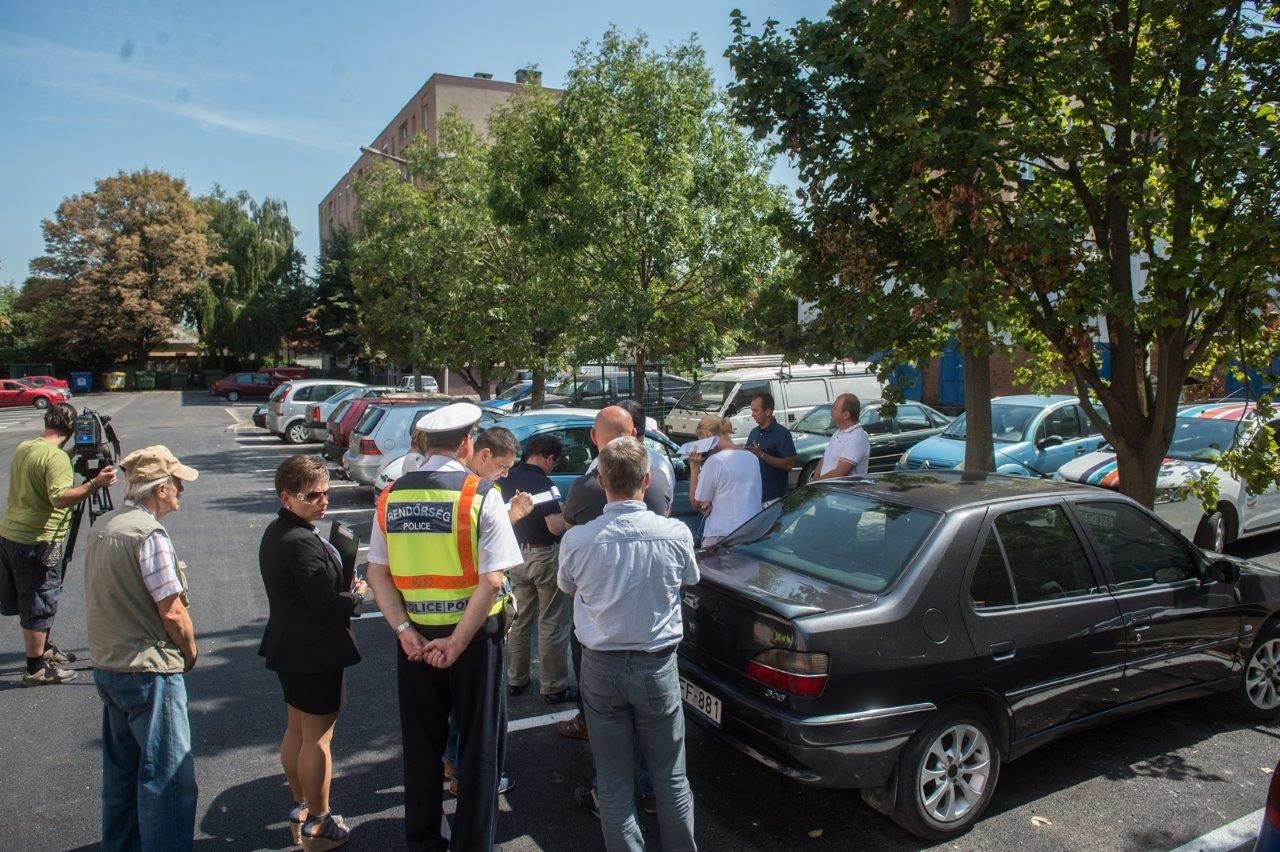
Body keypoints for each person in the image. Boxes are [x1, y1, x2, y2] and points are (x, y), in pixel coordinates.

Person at [365, 402, 523, 851]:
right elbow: (492, 581)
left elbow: (377, 572)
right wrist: (456, 641)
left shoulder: (391, 496)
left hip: (416, 639)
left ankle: (424, 843)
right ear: (467, 444)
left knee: (421, 747)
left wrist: (403, 630)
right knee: (479, 748)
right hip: (473, 641)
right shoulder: (481, 495)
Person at [558, 436, 699, 852]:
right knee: (671, 778)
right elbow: (689, 579)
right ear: (647, 480)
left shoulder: (578, 539)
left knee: (614, 783)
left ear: (601, 481)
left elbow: (568, 587)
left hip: (600, 665)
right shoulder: (675, 532)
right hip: (656, 664)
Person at [83, 446, 199, 851]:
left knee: (122, 777)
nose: (181, 489)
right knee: (169, 781)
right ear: (161, 489)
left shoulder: (106, 524)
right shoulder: (150, 535)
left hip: (109, 665)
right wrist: (190, 651)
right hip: (149, 669)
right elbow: (173, 611)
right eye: (177, 483)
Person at [258, 455, 371, 849]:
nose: (322, 501)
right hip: (314, 651)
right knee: (318, 739)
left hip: (289, 646)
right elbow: (324, 604)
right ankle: (319, 823)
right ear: (286, 497)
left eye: (325, 493)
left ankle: (301, 808)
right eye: (312, 495)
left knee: (298, 729)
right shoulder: (301, 541)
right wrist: (356, 596)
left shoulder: (279, 531)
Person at [557, 405, 675, 742]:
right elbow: (681, 573)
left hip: (599, 624)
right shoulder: (660, 476)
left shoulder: (586, 487)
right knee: (661, 740)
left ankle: (587, 723)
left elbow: (568, 569)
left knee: (606, 730)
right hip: (653, 626)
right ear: (634, 434)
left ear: (594, 438)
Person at [0, 402, 116, 685]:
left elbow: (48, 463)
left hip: (12, 535)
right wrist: (95, 484)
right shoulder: (57, 459)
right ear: (72, 427)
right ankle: (36, 668)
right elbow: (60, 498)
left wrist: (73, 452)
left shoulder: (28, 446)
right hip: (39, 540)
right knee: (40, 598)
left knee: (34, 596)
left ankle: (42, 648)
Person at [497, 433, 572, 703]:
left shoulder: (506, 478)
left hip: (515, 555)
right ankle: (553, 687)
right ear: (549, 458)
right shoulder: (544, 483)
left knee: (519, 620)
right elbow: (555, 527)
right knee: (552, 622)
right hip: (544, 557)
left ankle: (515, 679)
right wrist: (567, 517)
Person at [692, 417, 762, 547]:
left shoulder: (715, 461)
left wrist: (694, 467)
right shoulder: (752, 458)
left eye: (701, 441)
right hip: (751, 531)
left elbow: (696, 503)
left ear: (707, 435)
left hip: (721, 534)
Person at [744, 392, 797, 505]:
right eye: (752, 410)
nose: (752, 415)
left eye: (755, 411)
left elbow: (789, 465)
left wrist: (762, 455)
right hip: (754, 496)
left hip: (774, 498)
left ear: (768, 412)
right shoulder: (754, 433)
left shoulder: (782, 434)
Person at [814, 394, 870, 480]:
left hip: (840, 489)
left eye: (835, 408)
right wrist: (814, 482)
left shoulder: (856, 437)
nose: (831, 411)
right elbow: (824, 460)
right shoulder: (838, 432)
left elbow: (839, 473)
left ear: (846, 415)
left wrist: (816, 483)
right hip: (825, 487)